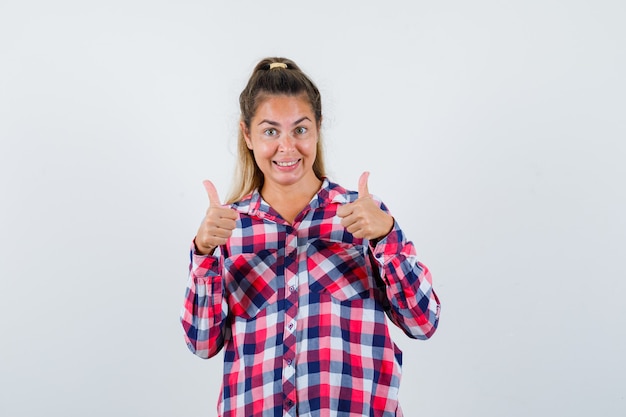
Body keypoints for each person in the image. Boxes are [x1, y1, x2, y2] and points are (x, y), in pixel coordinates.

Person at [181, 57, 440, 417]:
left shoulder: (362, 216)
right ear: (248, 136)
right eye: (271, 131)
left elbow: (423, 322)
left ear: (317, 129)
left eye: (300, 129)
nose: (287, 147)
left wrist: (386, 236)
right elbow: (201, 342)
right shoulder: (228, 227)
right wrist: (204, 254)